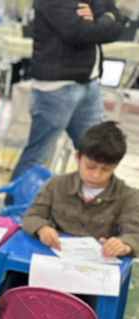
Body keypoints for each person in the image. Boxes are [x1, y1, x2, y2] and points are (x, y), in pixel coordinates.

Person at [9, 0, 123, 181]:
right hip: (57, 87)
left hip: (89, 83)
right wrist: (108, 17)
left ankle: (92, 207)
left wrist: (103, 16)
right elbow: (82, 33)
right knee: (37, 157)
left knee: (98, 154)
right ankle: (16, 208)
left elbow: (118, 22)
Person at [23, 121, 138, 257]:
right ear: (78, 157)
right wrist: (42, 229)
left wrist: (124, 244)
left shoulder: (127, 197)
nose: (96, 175)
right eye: (90, 166)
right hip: (53, 255)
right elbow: (33, 215)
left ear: (116, 166)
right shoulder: (56, 185)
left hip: (98, 264)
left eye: (106, 169)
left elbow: (135, 233)